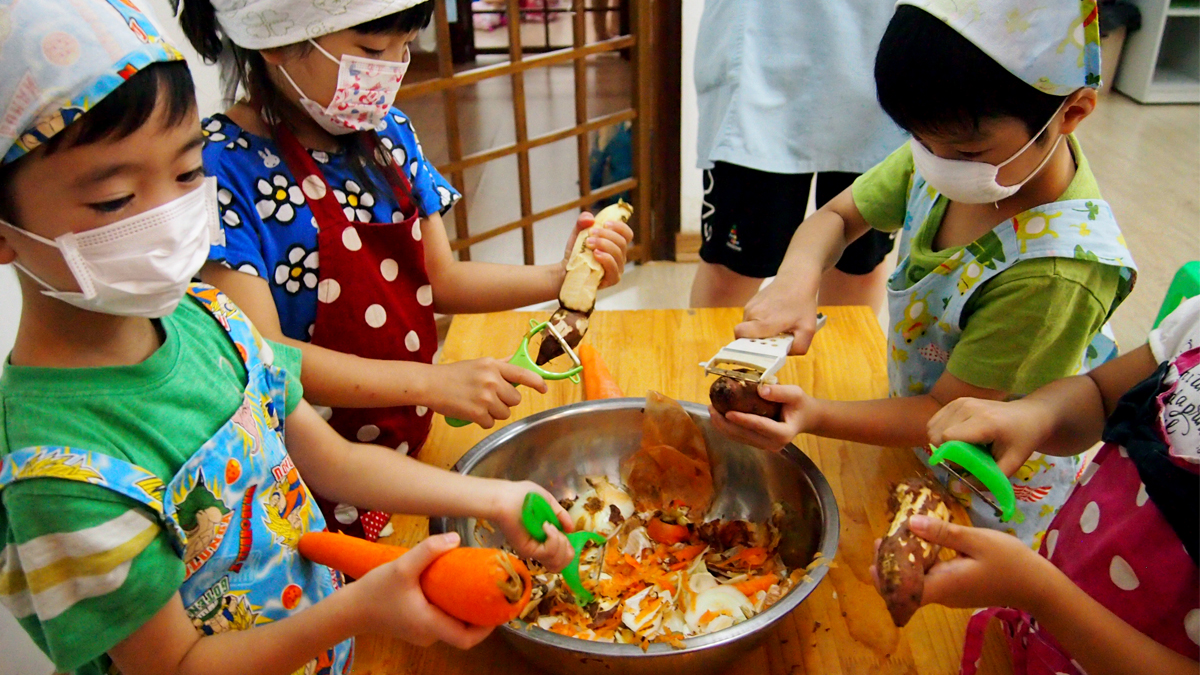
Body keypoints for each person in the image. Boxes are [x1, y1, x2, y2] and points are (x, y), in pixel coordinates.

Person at [0, 3, 573, 674]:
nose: (172, 216)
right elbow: (177, 665)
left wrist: (492, 497)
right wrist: (360, 609)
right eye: (116, 199)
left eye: (188, 175)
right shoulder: (61, 475)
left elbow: (328, 458)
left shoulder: (209, 320)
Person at [174, 0, 633, 541]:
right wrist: (432, 382)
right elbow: (268, 357)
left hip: (406, 451)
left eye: (405, 46)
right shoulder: (220, 170)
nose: (393, 69)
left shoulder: (388, 136)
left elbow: (440, 278)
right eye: (371, 50)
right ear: (272, 41)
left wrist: (559, 278)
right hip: (297, 484)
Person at [712, 0, 1137, 547]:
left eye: (965, 150)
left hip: (985, 489)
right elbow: (838, 217)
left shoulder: (1055, 274)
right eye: (919, 140)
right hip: (914, 428)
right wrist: (795, 281)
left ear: (1072, 113)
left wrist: (814, 413)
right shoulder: (950, 144)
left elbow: (946, 413)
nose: (935, 163)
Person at [888, 297, 1199, 675]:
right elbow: (1101, 394)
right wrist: (1037, 414)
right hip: (1033, 625)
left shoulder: (1036, 590)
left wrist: (1039, 593)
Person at [688, 0, 908, 312]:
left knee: (858, 268)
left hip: (874, 52)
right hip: (758, 55)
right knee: (732, 271)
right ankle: (701, 360)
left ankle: (839, 363)